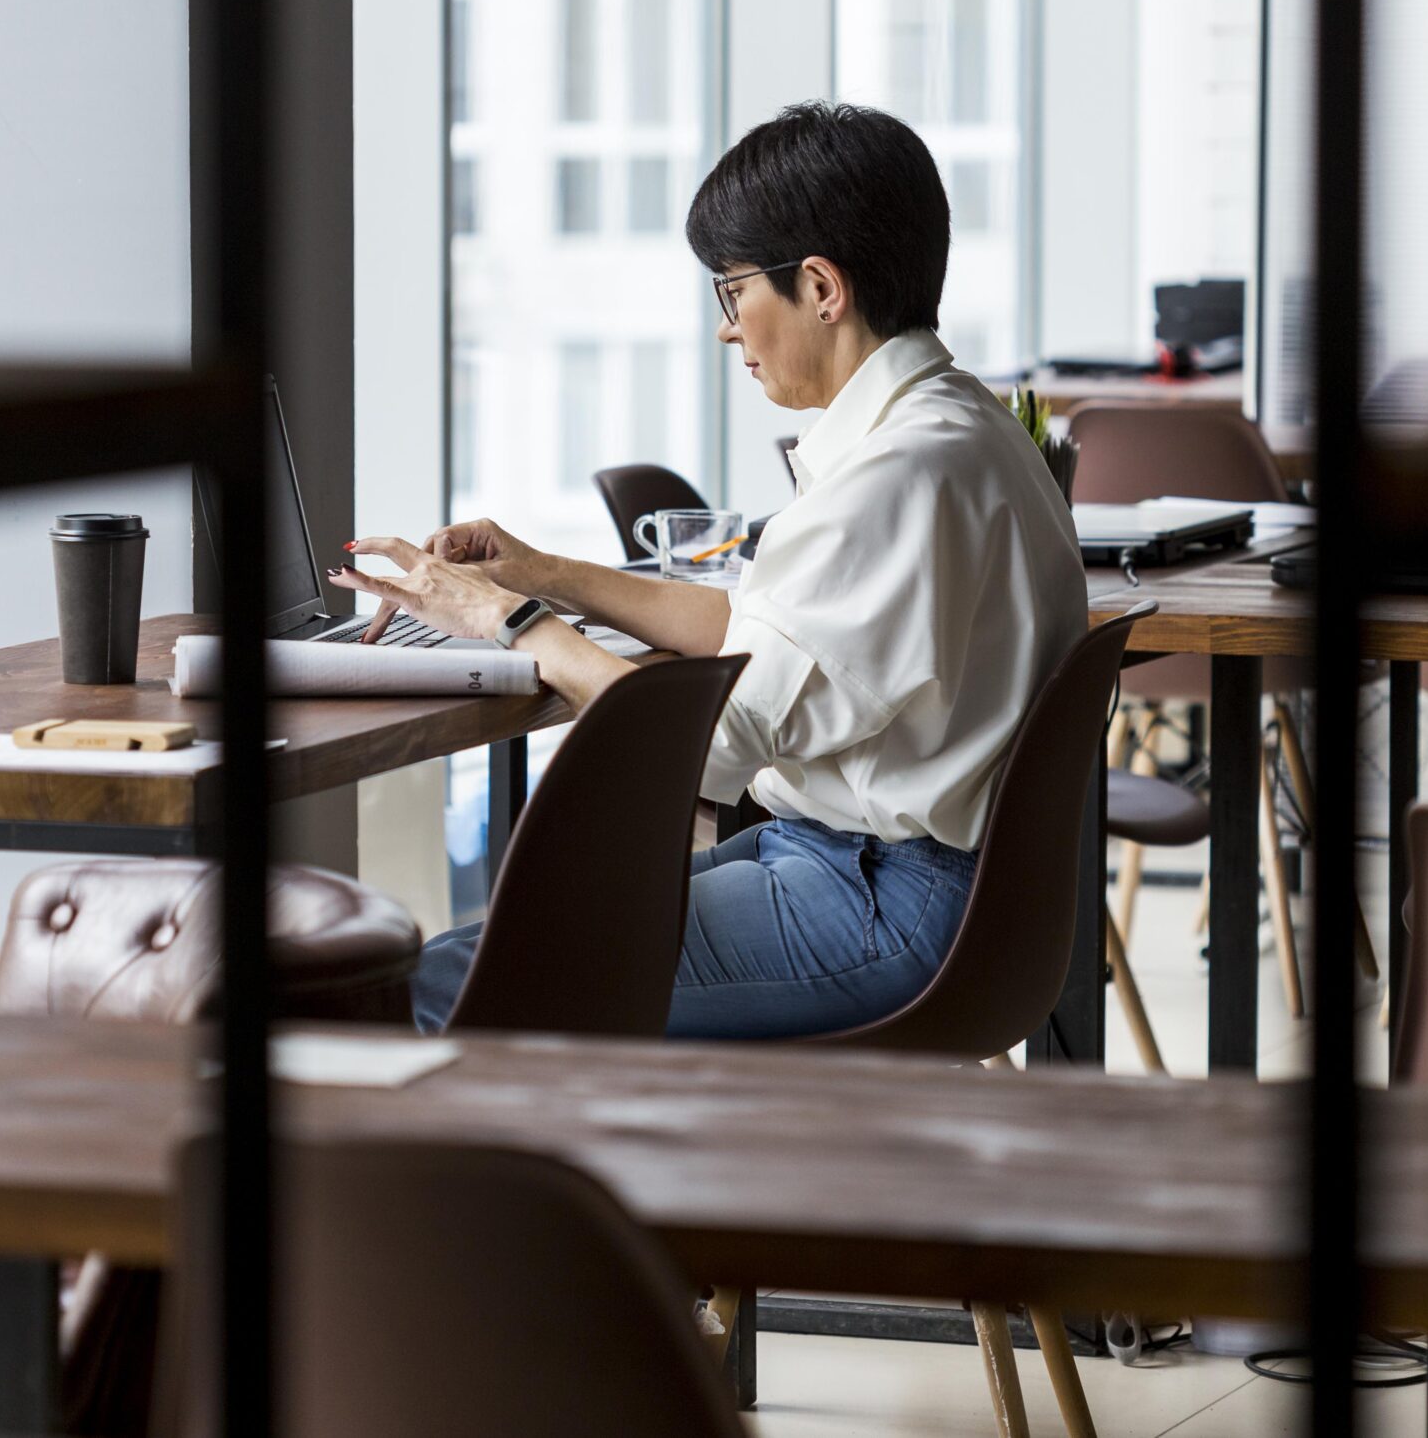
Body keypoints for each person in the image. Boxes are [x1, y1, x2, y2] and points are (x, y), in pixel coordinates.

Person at [329, 101, 1086, 1039]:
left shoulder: (897, 476)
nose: (730, 331)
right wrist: (542, 572)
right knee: (508, 934)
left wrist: (509, 622)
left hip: (884, 899)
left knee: (439, 983)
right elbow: (758, 632)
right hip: (894, 874)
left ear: (819, 286)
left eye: (733, 293)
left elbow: (708, 741)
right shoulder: (961, 428)